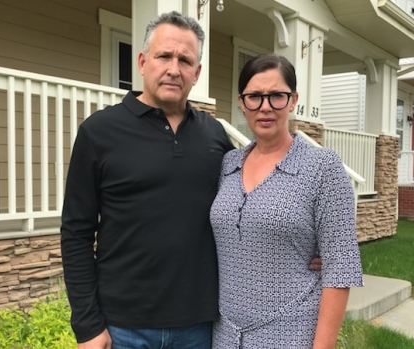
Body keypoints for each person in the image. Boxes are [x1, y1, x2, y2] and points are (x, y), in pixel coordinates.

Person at [61, 11, 322, 349]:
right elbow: (75, 233)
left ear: (197, 72)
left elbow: (254, 199)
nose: (174, 68)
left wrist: (314, 237)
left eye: (185, 60)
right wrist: (87, 325)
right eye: (164, 56)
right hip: (123, 326)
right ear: (142, 62)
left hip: (199, 327)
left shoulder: (214, 136)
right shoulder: (99, 132)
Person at [210, 53, 364, 349]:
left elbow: (340, 267)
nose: (265, 106)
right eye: (254, 96)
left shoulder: (322, 167)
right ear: (242, 103)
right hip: (225, 336)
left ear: (293, 100)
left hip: (292, 336)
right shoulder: (228, 165)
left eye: (276, 96)